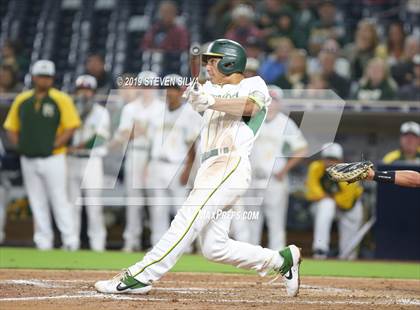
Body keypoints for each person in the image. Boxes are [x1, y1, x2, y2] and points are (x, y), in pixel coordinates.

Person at [95, 39, 302, 297]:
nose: (208, 67)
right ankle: (281, 261)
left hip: (230, 162)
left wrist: (208, 98)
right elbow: (202, 101)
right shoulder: (210, 89)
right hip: (211, 166)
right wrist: (198, 97)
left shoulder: (253, 84)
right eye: (206, 62)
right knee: (215, 247)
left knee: (186, 218)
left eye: (213, 61)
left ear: (229, 61)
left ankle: (141, 276)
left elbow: (249, 106)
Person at [3, 60, 80, 250]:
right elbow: (10, 127)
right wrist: (20, 146)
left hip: (54, 157)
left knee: (59, 198)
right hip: (28, 157)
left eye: (47, 77)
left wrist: (54, 144)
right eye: (41, 76)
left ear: (52, 78)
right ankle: (43, 241)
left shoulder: (61, 98)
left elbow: (71, 126)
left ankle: (70, 240)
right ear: (34, 77)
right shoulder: (23, 99)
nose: (44, 80)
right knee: (37, 200)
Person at [244, 85, 307, 250]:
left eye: (274, 100)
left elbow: (302, 150)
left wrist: (284, 170)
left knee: (276, 223)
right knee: (251, 222)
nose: (271, 104)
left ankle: (277, 261)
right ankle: (250, 260)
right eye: (268, 100)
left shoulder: (286, 123)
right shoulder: (252, 120)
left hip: (274, 179)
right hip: (252, 178)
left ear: (280, 103)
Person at [146, 74, 201, 249]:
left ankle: (184, 247)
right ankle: (158, 245)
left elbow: (192, 145)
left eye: (173, 89)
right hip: (157, 164)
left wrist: (188, 170)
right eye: (167, 89)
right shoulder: (156, 112)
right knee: (157, 209)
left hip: (178, 165)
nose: (169, 92)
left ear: (181, 91)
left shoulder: (189, 113)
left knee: (180, 209)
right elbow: (151, 142)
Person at [114, 71, 163, 252]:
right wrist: (141, 131)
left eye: (150, 86)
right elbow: (124, 134)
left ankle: (158, 242)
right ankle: (131, 240)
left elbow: (159, 136)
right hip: (135, 154)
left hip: (155, 157)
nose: (147, 89)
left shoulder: (161, 108)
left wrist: (139, 129)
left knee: (156, 201)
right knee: (134, 201)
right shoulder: (130, 108)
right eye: (144, 86)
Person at [67, 75, 111, 251]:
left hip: (92, 161)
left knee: (94, 205)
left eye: (87, 89)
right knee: (71, 205)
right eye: (81, 89)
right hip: (71, 161)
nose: (84, 93)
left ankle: (97, 245)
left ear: (93, 92)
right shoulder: (69, 110)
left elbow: (100, 138)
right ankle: (71, 243)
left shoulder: (101, 112)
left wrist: (77, 146)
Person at [306, 143, 363, 260]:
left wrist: (328, 197)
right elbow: (312, 192)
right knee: (326, 205)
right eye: (328, 159)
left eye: (334, 159)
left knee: (348, 253)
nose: (331, 162)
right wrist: (328, 198)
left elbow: (346, 202)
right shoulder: (316, 168)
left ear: (341, 160)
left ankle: (347, 259)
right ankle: (320, 249)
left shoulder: (348, 172)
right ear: (322, 159)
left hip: (350, 209)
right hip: (331, 205)